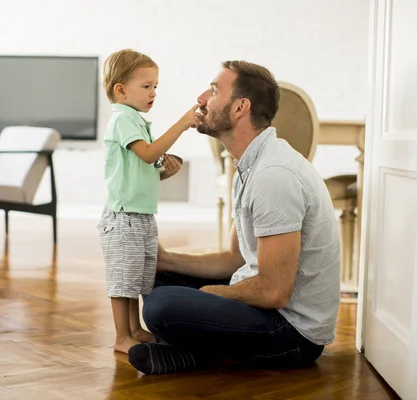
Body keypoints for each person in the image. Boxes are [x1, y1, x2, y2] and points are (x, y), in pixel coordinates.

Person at [128, 61, 341, 374]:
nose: (201, 98)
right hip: (265, 304)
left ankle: (191, 352)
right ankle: (189, 354)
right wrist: (163, 259)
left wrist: (209, 295)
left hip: (292, 333)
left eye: (214, 90)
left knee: (164, 307)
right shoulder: (250, 164)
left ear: (241, 107)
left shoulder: (274, 176)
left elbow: (274, 291)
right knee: (154, 276)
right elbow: (233, 258)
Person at [98, 49, 201, 354]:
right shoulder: (122, 119)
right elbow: (147, 153)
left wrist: (164, 174)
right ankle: (121, 337)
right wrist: (182, 124)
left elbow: (143, 170)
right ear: (120, 90)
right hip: (123, 218)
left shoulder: (136, 121)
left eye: (156, 86)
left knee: (136, 279)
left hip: (140, 216)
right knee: (122, 280)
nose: (153, 92)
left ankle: (134, 330)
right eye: (146, 86)